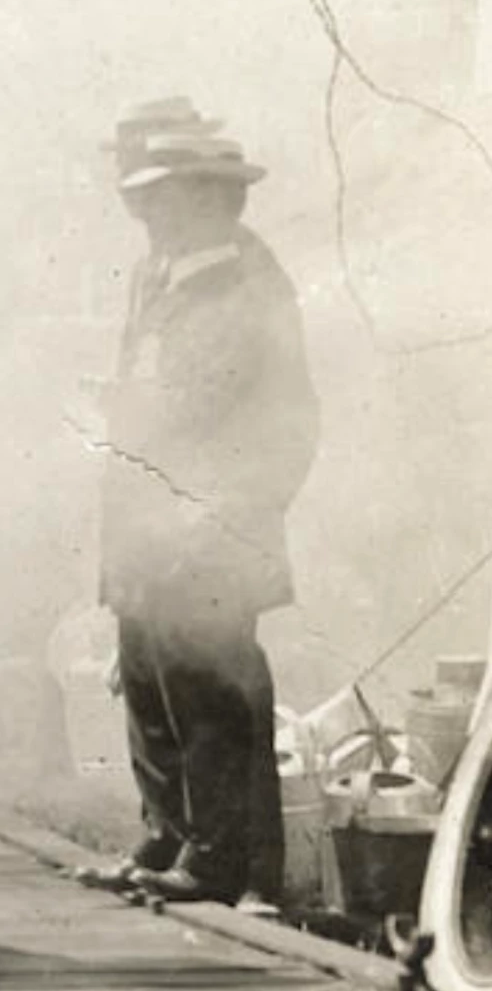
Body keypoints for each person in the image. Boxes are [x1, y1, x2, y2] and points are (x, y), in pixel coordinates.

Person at [95, 100, 317, 907]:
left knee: (213, 691)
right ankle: (170, 834)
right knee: (149, 672)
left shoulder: (253, 284)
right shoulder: (157, 274)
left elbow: (288, 425)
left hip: (213, 526)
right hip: (147, 519)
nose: (145, 209)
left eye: (163, 195)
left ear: (211, 197)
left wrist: (222, 512)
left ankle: (226, 863)